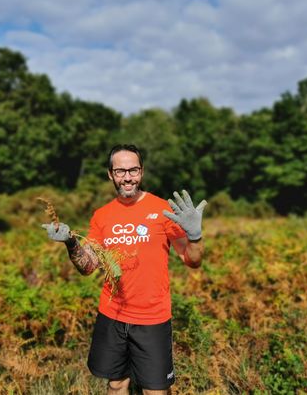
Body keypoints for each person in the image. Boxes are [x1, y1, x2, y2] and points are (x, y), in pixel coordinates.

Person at [42, 144, 206, 395]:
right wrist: (71, 242)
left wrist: (195, 236)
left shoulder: (163, 210)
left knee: (156, 390)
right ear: (110, 174)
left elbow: (192, 260)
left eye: (133, 170)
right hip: (112, 316)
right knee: (117, 384)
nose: (127, 177)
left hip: (152, 317)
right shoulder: (102, 215)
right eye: (120, 171)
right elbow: (89, 266)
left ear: (142, 171)